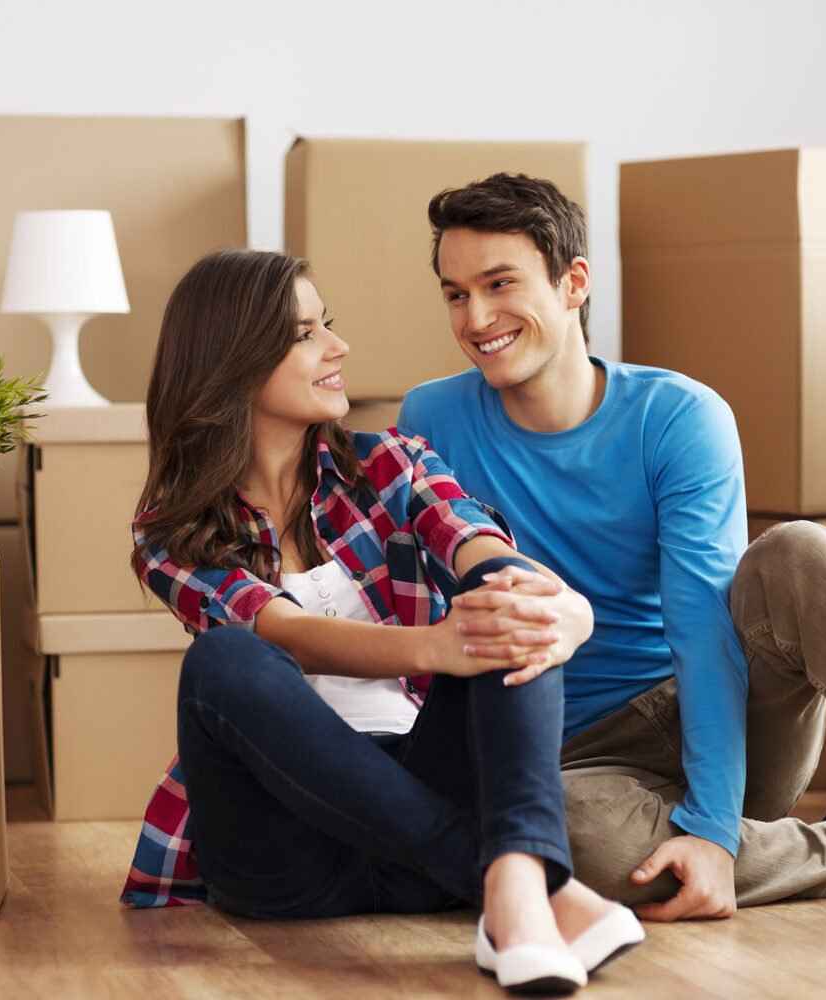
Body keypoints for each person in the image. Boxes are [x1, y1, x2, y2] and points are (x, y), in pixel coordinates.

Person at [397, 172, 826, 922]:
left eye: (500, 283)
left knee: (797, 553)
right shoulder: (432, 418)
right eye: (456, 294)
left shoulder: (678, 416)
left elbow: (703, 628)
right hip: (576, 762)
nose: (477, 316)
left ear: (573, 284)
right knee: (558, 839)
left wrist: (717, 830)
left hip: (717, 716)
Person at [119, 248, 645, 993]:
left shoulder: (391, 463)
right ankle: (525, 887)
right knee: (225, 661)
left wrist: (560, 610)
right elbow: (286, 633)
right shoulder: (169, 531)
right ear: (233, 360)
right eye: (305, 335)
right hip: (284, 857)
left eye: (326, 326)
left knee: (505, 596)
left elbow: (480, 546)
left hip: (417, 799)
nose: (337, 348)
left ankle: (514, 890)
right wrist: (435, 645)